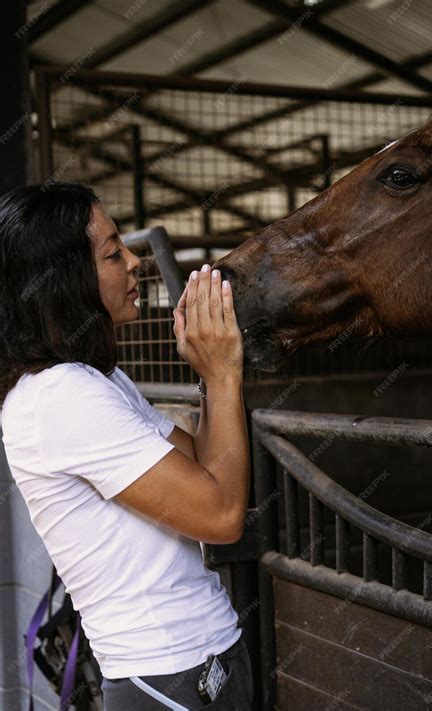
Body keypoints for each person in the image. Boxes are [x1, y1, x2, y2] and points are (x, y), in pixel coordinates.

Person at [0, 182, 253, 710]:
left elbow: (204, 464)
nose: (135, 263)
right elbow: (223, 512)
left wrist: (207, 374)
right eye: (113, 253)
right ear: (63, 280)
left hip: (199, 658)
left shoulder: (95, 380)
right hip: (168, 674)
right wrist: (224, 374)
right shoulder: (60, 396)